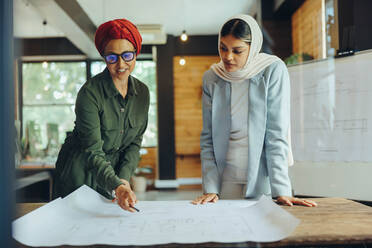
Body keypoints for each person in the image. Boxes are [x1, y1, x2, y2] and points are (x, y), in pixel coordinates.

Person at [192, 14, 316, 207]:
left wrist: (281, 190)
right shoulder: (212, 77)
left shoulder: (272, 70)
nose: (227, 57)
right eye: (223, 48)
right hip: (225, 180)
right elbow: (208, 138)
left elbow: (276, 133)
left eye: (237, 50)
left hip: (261, 178)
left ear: (253, 48)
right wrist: (210, 187)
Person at [53, 19, 149, 212]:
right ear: (104, 57)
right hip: (79, 174)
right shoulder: (89, 93)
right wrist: (117, 185)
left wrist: (122, 178)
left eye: (127, 55)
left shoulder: (143, 93)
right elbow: (92, 151)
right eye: (112, 57)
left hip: (110, 176)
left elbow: (134, 143)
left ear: (136, 54)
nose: (121, 64)